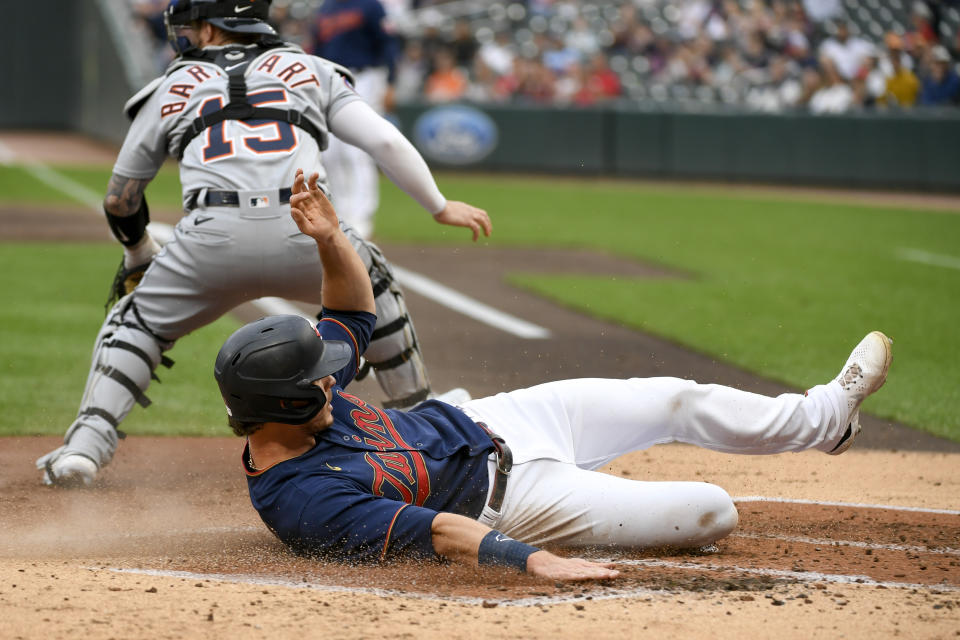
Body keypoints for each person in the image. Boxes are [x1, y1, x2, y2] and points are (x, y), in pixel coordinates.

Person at [214, 171, 894, 580]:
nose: (334, 382)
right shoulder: (303, 502)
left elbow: (350, 314)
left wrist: (330, 241)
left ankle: (825, 419)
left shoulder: (301, 391)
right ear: (276, 406)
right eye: (318, 386)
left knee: (676, 397)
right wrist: (529, 560)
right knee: (713, 511)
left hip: (506, 417)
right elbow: (440, 534)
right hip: (516, 501)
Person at [36, 0, 491, 488]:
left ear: (210, 27)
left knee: (133, 323)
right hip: (306, 226)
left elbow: (120, 199)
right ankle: (420, 414)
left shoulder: (174, 83)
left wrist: (139, 253)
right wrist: (438, 204)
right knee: (373, 281)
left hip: (210, 237)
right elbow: (385, 142)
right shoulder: (311, 67)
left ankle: (84, 448)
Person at [310, 0, 398, 239]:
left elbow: (388, 44)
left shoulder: (370, 5)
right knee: (331, 154)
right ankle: (341, 213)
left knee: (356, 151)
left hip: (364, 77)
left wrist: (391, 82)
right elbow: (316, 51)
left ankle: (361, 215)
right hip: (329, 80)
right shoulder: (326, 8)